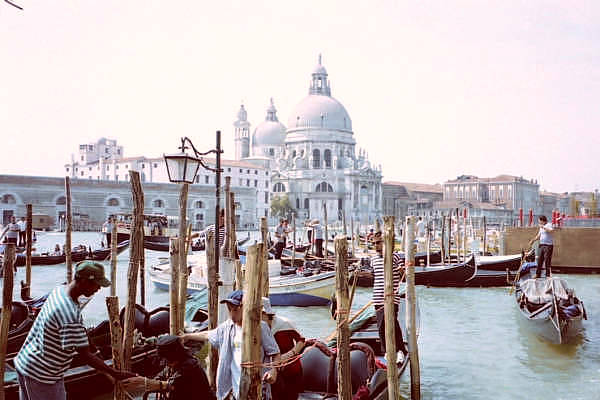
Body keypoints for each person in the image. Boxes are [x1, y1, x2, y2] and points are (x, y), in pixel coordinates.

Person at [14, 261, 134, 400]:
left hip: (26, 361)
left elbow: (81, 333)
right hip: (42, 375)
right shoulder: (69, 314)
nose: (99, 289)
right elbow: (85, 355)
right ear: (84, 281)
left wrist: (93, 348)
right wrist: (115, 373)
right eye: (97, 284)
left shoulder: (59, 290)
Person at [181, 290, 280, 400]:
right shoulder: (226, 328)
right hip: (232, 388)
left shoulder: (260, 327)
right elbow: (207, 335)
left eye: (235, 309)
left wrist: (273, 370)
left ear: (244, 307)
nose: (232, 313)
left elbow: (275, 353)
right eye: (229, 309)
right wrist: (187, 336)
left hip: (257, 385)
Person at [121, 335, 215, 400]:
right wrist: (140, 379)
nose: (166, 363)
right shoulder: (174, 365)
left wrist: (144, 382)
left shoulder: (190, 367)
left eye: (167, 360)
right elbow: (160, 377)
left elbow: (170, 385)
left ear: (174, 357)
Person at [371, 231, 408, 358]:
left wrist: (402, 270)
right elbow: (374, 276)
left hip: (392, 297)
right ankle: (386, 351)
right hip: (377, 297)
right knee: (381, 325)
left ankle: (400, 350)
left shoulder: (395, 257)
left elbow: (405, 277)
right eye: (374, 243)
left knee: (392, 323)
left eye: (378, 242)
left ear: (385, 242)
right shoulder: (373, 259)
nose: (376, 246)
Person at [261, 297, 305, 400]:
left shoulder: (285, 324)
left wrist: (288, 355)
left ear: (267, 314)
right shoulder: (257, 328)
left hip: (291, 369)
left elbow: (301, 341)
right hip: (271, 371)